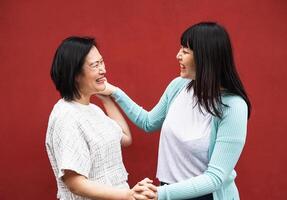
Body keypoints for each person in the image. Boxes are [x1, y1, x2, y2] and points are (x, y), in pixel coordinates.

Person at [100, 22, 251, 200]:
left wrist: (161, 194)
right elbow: (148, 122)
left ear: (205, 57)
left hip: (206, 196)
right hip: (168, 192)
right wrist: (113, 93)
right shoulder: (179, 86)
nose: (178, 56)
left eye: (185, 51)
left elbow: (215, 178)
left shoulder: (233, 106)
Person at [45, 36, 156, 200]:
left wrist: (106, 96)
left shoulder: (92, 109)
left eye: (102, 62)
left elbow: (125, 138)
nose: (103, 70)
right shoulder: (66, 115)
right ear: (75, 73)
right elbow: (75, 183)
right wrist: (127, 195)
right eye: (95, 65)